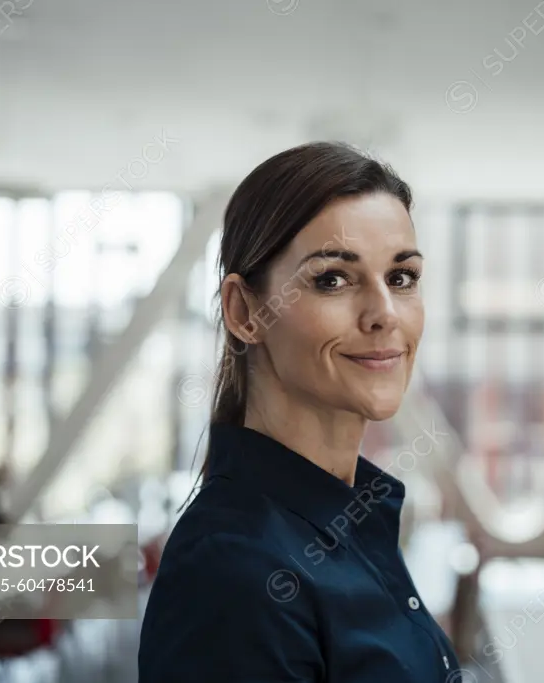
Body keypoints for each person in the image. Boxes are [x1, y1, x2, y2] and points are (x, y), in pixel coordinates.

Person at [138, 142, 460, 682]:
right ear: (245, 311)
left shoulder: (349, 523)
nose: (384, 314)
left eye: (401, 277)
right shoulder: (234, 568)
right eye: (333, 278)